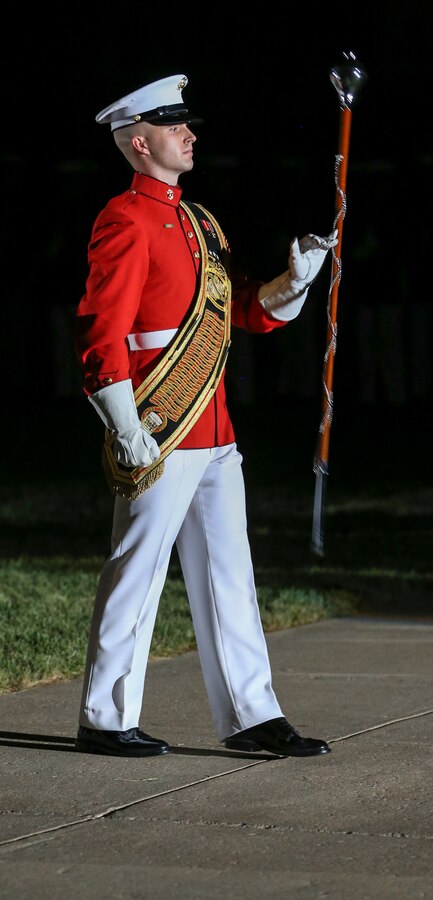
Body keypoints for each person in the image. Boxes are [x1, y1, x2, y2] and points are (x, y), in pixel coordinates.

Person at [74, 73, 337, 759]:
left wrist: (295, 280)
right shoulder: (124, 220)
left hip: (214, 428)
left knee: (229, 574)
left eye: (185, 124)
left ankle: (252, 713)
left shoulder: (200, 222)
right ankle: (105, 716)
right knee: (137, 569)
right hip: (162, 424)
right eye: (172, 126)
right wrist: (126, 427)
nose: (189, 134)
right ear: (139, 142)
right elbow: (102, 334)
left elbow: (245, 311)